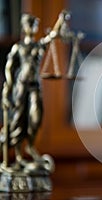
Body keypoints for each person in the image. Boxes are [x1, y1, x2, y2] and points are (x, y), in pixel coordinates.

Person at [0, 11, 69, 171]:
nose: (33, 27)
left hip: (35, 87)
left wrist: (60, 20)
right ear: (25, 26)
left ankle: (29, 147)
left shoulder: (39, 45)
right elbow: (10, 69)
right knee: (18, 119)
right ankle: (17, 156)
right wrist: (7, 90)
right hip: (21, 86)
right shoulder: (18, 47)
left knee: (35, 118)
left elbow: (53, 35)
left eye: (35, 25)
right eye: (30, 24)